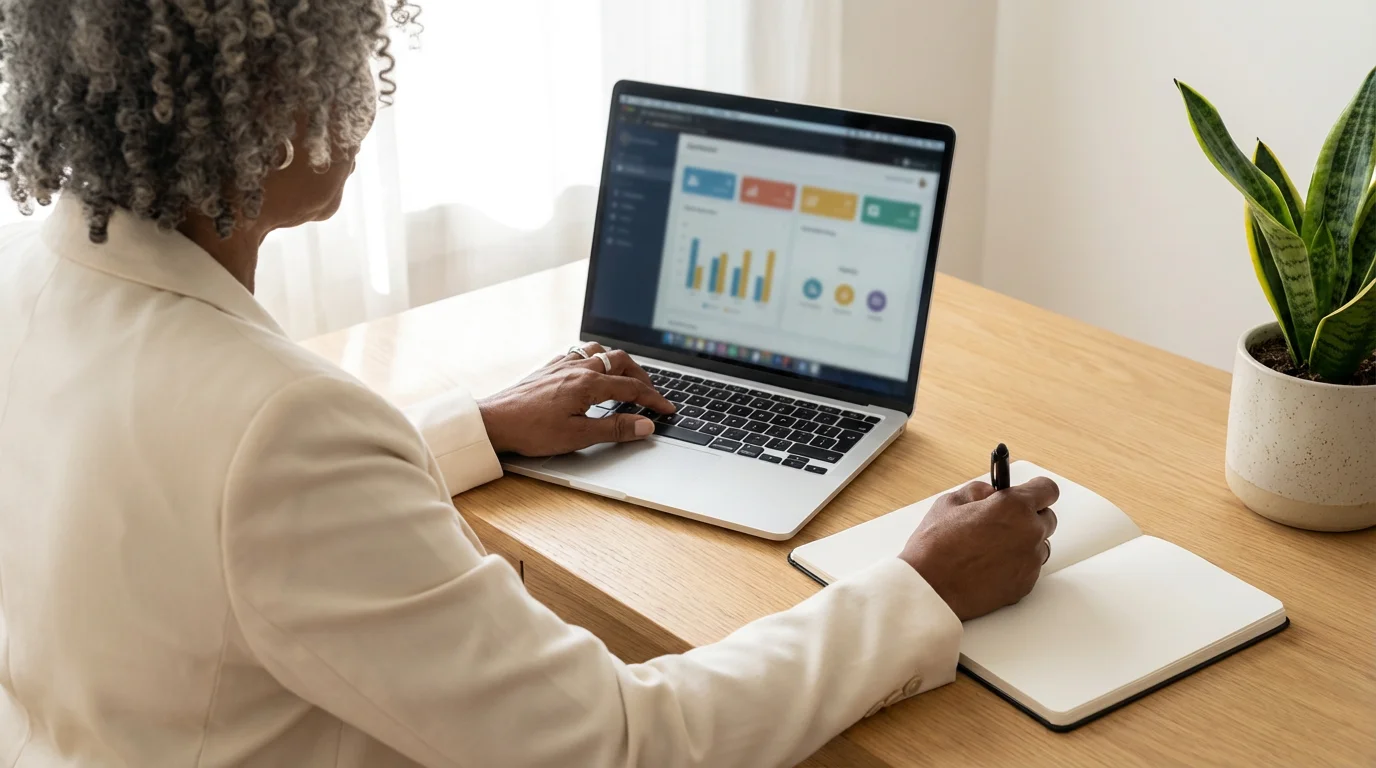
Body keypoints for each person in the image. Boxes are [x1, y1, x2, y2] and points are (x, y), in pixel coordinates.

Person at [0, 2, 1058, 766]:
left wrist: (479, 429)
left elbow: (210, 513)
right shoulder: (281, 428)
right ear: (260, 94)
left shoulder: (33, 289)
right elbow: (622, 743)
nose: (366, 96)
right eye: (347, 57)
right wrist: (917, 587)